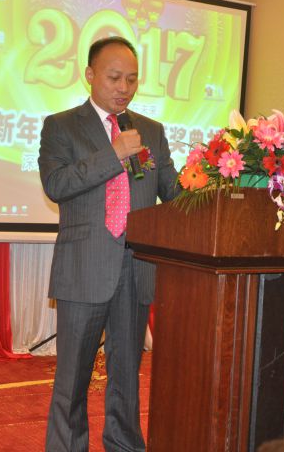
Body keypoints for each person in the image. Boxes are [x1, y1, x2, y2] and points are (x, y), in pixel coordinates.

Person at [38, 36, 179, 452]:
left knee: (127, 376)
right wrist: (113, 154)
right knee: (72, 379)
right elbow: (56, 184)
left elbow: (173, 191)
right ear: (90, 74)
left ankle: (124, 445)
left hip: (136, 269)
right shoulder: (61, 126)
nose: (124, 88)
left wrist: (217, 179)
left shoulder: (150, 131)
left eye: (132, 79)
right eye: (115, 77)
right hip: (84, 268)